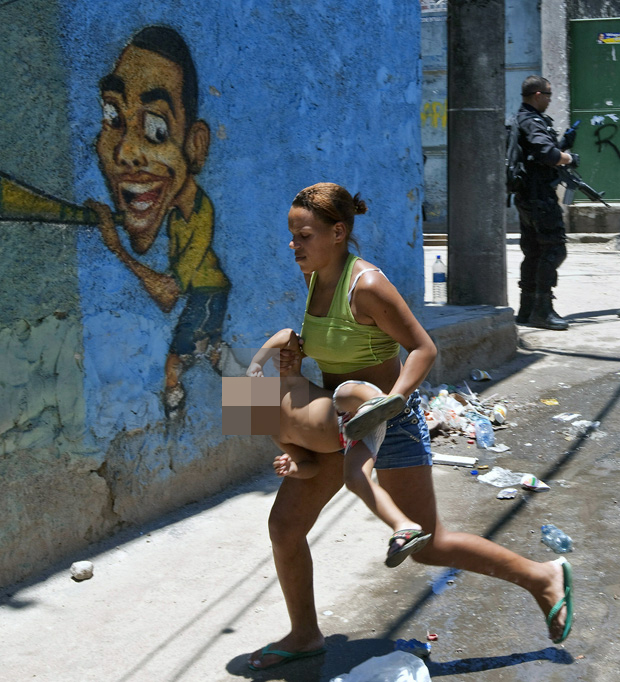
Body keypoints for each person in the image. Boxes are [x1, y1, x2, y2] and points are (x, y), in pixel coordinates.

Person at [247, 182, 574, 672]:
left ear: (338, 233)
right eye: (292, 235)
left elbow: (424, 348)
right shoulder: (316, 277)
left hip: (387, 420)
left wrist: (394, 401)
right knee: (282, 522)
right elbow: (331, 366)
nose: (293, 245)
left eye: (304, 235)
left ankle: (542, 576)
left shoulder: (370, 286)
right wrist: (292, 377)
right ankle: (304, 634)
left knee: (429, 544)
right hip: (339, 418)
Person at [87, 25, 230, 419]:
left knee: (176, 364)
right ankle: (256, 411)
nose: (126, 153)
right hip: (208, 293)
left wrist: (116, 246)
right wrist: (118, 216)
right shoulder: (176, 204)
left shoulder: (201, 213)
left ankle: (181, 415)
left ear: (196, 146)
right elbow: (138, 209)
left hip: (208, 293)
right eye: (112, 115)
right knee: (210, 356)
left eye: (156, 128)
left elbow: (168, 292)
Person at [247, 328, 432, 568]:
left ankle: (376, 403)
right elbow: (310, 466)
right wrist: (294, 468)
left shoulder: (287, 380)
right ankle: (404, 527)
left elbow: (286, 336)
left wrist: (256, 362)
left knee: (343, 393)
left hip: (353, 407)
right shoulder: (278, 434)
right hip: (351, 439)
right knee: (355, 479)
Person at [512, 76, 577, 331]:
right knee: (553, 250)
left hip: (529, 196)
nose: (550, 99)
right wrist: (568, 157)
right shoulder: (531, 121)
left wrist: (563, 144)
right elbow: (546, 154)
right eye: (548, 95)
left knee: (534, 252)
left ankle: (527, 309)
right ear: (537, 95)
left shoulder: (521, 119)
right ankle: (542, 310)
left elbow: (537, 153)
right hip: (539, 197)